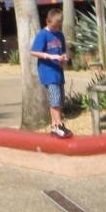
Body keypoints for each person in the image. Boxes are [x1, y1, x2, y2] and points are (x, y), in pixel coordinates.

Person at [30, 8, 72, 138]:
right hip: (48, 72)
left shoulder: (60, 34)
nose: (56, 28)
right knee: (55, 100)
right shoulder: (43, 35)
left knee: (58, 99)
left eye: (58, 26)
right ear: (47, 21)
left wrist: (63, 58)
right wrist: (51, 56)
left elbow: (62, 51)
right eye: (54, 26)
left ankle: (54, 125)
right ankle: (59, 125)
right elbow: (34, 51)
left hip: (58, 71)